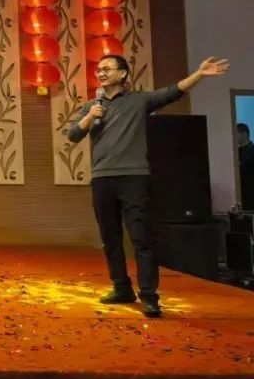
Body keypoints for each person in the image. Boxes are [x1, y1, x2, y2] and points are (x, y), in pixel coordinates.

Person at [68, 55, 229, 318]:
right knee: (110, 238)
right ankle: (121, 288)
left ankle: (149, 296)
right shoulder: (91, 106)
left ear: (123, 73)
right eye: (98, 70)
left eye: (107, 69)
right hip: (102, 178)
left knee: (141, 238)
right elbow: (73, 135)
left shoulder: (139, 100)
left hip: (134, 177)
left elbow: (174, 91)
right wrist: (89, 117)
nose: (101, 73)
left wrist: (199, 74)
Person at [237, 123, 254, 210]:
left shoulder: (252, 151)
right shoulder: (236, 152)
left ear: (243, 133)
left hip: (251, 194)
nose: (234, 136)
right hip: (240, 195)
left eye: (236, 133)